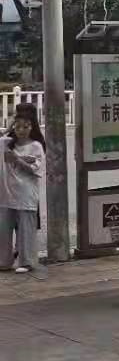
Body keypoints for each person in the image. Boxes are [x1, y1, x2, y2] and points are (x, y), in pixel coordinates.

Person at [0, 110, 46, 274]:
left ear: (32, 127)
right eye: (18, 126)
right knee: (3, 230)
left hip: (25, 194)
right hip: (5, 194)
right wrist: (9, 126)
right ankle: (3, 262)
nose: (21, 130)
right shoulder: (5, 143)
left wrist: (18, 160)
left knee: (26, 230)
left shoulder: (36, 146)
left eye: (26, 126)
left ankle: (27, 262)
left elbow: (36, 169)